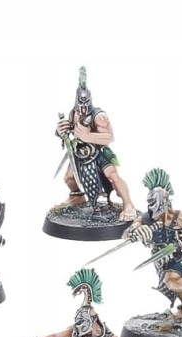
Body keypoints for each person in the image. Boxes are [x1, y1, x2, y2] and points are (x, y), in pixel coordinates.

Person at [125, 168, 182, 320]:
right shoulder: (145, 218)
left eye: (155, 202)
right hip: (160, 259)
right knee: (172, 285)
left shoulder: (179, 216)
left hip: (179, 254)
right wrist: (136, 230)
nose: (152, 207)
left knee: (171, 281)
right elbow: (127, 232)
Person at [55, 67, 135, 221]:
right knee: (69, 178)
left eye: (85, 102)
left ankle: (128, 204)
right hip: (80, 151)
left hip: (98, 151)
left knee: (112, 176)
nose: (83, 106)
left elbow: (110, 137)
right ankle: (77, 196)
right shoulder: (73, 113)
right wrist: (60, 130)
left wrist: (88, 136)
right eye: (80, 102)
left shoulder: (99, 116)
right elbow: (70, 129)